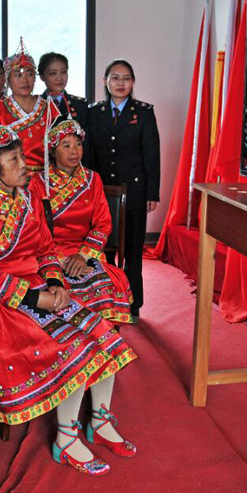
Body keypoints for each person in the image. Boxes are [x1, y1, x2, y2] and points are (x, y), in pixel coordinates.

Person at [0, 121, 137, 476]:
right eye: (13, 160)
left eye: (22, 156)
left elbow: (44, 249)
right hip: (5, 305)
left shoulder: (26, 199)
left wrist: (55, 282)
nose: (24, 164)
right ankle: (66, 440)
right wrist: (36, 299)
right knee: (75, 347)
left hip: (41, 287)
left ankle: (99, 421)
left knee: (104, 334)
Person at [28, 112, 133, 324]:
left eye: (77, 144)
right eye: (66, 145)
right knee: (58, 292)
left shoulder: (92, 179)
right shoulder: (37, 183)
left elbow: (103, 224)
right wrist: (62, 260)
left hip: (86, 254)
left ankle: (103, 345)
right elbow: (33, 228)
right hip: (50, 256)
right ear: (52, 149)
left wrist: (83, 256)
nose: (74, 151)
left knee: (103, 285)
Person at [84, 59, 160, 321]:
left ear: (133, 82)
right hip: (101, 192)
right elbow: (89, 154)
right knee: (103, 249)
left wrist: (152, 193)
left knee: (134, 250)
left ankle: (133, 304)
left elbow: (152, 156)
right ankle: (105, 301)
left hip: (135, 193)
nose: (120, 83)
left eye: (126, 78)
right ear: (105, 81)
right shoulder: (94, 112)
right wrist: (85, 189)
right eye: (115, 77)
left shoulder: (144, 112)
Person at [0, 39, 56, 173]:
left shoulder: (49, 108)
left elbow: (59, 147)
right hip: (11, 178)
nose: (25, 80)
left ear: (35, 78)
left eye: (29, 74)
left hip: (45, 179)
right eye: (18, 75)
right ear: (8, 80)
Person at [39, 52, 88, 130]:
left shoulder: (80, 105)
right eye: (52, 73)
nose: (59, 78)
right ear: (42, 76)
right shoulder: (35, 105)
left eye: (63, 72)